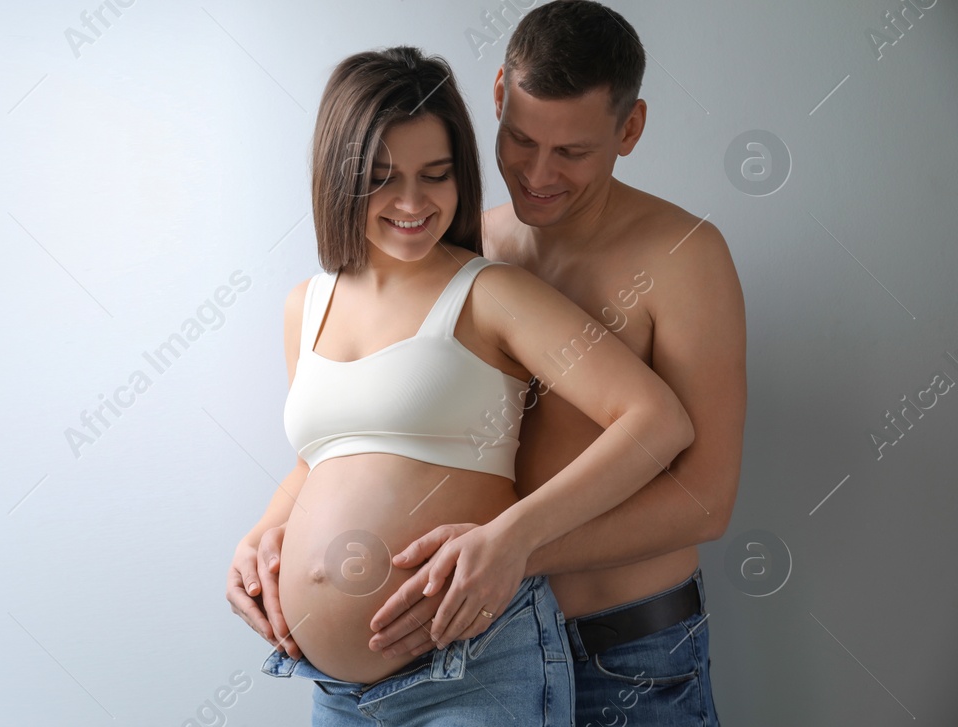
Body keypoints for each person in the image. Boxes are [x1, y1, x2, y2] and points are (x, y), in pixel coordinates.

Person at [225, 45, 694, 724]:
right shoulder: (307, 303)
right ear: (339, 175)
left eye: (436, 175)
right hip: (332, 688)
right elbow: (321, 458)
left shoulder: (489, 292)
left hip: (472, 669)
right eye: (382, 178)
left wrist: (513, 538)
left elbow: (656, 419)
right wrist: (261, 534)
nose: (413, 202)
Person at [364, 3, 747, 725]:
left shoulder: (684, 257)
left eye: (572, 152)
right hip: (482, 655)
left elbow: (707, 500)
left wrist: (517, 546)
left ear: (629, 130)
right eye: (520, 140)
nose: (538, 173)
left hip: (628, 654)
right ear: (500, 94)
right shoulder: (462, 240)